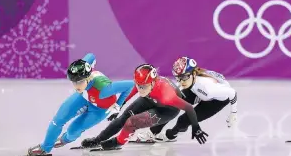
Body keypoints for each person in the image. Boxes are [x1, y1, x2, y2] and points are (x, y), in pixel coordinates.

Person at [80, 63, 208, 150]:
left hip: (168, 110)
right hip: (151, 99)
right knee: (123, 117)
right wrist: (119, 105)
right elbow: (133, 90)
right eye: (138, 85)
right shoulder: (144, 84)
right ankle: (98, 139)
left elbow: (189, 108)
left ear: (152, 83)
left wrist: (196, 127)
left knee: (131, 122)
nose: (140, 89)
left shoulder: (167, 95)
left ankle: (118, 142)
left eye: (144, 86)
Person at [26, 53, 134, 156]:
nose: (76, 85)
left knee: (73, 130)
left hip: (100, 109)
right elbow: (91, 55)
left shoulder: (104, 89)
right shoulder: (82, 71)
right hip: (84, 96)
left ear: (88, 78)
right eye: (73, 82)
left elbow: (131, 85)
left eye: (79, 82)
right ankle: (45, 147)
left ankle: (65, 139)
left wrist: (118, 105)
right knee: (59, 119)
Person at [130, 56, 238, 143]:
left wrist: (233, 113)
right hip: (195, 88)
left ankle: (171, 135)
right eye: (178, 78)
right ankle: (152, 132)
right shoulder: (189, 79)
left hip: (216, 100)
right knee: (171, 105)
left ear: (193, 73)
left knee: (184, 120)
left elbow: (232, 92)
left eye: (184, 77)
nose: (181, 81)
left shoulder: (208, 87)